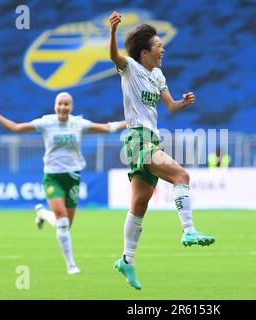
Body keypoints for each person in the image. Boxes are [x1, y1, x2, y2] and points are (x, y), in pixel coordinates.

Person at [108, 11, 215, 290]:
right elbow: (114, 58)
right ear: (145, 51)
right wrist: (112, 33)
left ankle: (126, 262)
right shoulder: (130, 67)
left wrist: (183, 101)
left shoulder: (157, 75)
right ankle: (189, 230)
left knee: (139, 206)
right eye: (158, 45)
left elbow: (170, 107)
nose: (162, 49)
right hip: (136, 139)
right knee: (181, 176)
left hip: (151, 141)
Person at [0, 92, 126, 275]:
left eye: (66, 104)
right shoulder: (46, 122)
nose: (63, 107)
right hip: (52, 177)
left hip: (73, 177)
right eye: (60, 104)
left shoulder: (78, 123)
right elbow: (17, 128)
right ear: (55, 106)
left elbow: (108, 127)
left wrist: (130, 122)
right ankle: (71, 265)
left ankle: (43, 213)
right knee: (63, 223)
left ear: (71, 107)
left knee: (65, 224)